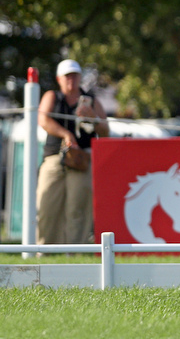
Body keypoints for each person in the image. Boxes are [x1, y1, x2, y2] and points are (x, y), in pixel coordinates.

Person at [37, 59, 109, 244]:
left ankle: (75, 252)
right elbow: (43, 119)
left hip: (81, 160)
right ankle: (45, 251)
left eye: (75, 76)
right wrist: (66, 134)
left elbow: (105, 131)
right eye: (67, 76)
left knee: (78, 209)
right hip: (54, 157)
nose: (71, 80)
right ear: (59, 79)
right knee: (47, 206)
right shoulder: (52, 96)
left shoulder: (91, 100)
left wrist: (93, 117)